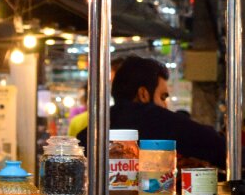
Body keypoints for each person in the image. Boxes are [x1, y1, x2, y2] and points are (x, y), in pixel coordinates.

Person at [78, 55, 226, 169]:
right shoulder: (155, 118)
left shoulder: (93, 129)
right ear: (143, 94)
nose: (165, 105)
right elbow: (218, 147)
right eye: (162, 97)